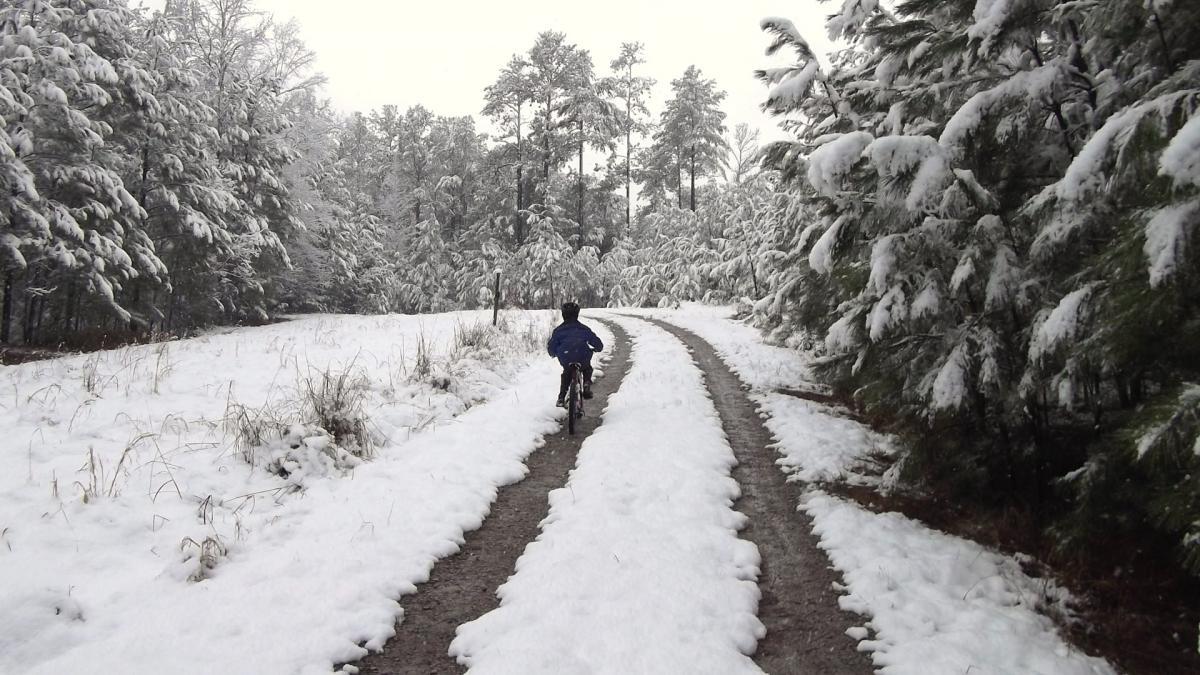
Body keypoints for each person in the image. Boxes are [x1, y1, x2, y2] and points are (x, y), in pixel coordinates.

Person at [547, 302, 604, 408]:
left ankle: (561, 397)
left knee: (566, 374)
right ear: (577, 314)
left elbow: (551, 348)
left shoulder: (558, 331)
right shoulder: (583, 329)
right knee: (587, 368)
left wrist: (554, 353)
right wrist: (597, 348)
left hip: (566, 357)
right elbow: (598, 344)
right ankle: (586, 384)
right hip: (582, 356)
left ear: (563, 315)